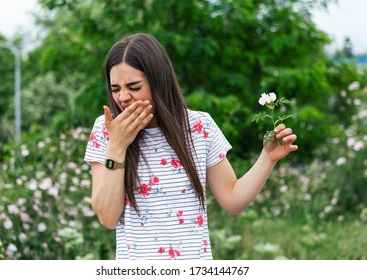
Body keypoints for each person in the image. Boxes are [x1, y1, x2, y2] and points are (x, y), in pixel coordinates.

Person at [84, 33, 298, 260]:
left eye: (134, 86)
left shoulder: (199, 126)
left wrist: (268, 158)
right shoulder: (106, 130)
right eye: (115, 88)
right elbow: (107, 218)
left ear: (158, 81)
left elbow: (233, 200)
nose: (123, 97)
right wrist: (117, 146)